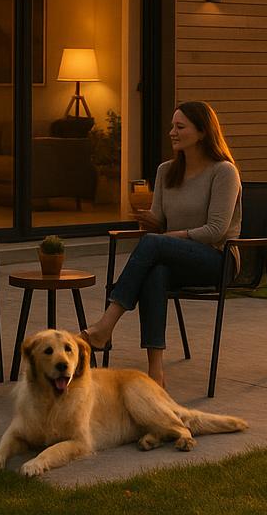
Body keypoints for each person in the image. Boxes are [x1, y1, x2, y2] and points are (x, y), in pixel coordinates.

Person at [82, 100, 241, 387]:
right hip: (176, 257)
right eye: (172, 126)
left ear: (203, 132)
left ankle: (105, 326)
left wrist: (165, 237)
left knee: (155, 246)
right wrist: (148, 220)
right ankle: (156, 372)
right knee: (155, 272)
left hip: (217, 259)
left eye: (180, 127)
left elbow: (216, 230)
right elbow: (159, 221)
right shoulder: (166, 170)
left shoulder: (223, 171)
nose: (172, 132)